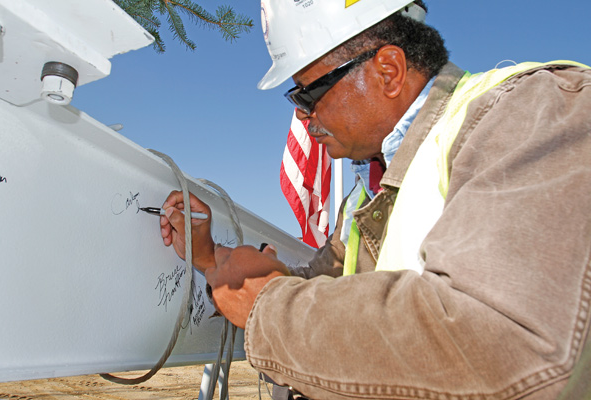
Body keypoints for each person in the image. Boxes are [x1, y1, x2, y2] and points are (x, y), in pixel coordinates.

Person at [160, 0, 591, 398]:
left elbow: (504, 345)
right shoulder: (365, 197)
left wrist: (269, 307)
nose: (301, 117)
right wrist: (209, 257)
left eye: (307, 94)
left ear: (388, 70)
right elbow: (321, 292)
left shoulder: (534, 111)